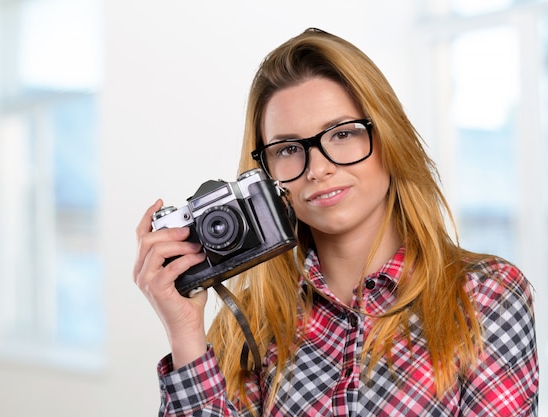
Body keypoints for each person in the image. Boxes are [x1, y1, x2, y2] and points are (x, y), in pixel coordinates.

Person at [133, 28, 539, 416]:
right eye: (289, 148)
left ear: (387, 138)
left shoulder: (484, 297)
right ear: (263, 173)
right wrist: (185, 331)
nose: (318, 168)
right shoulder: (250, 323)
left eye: (342, 134)